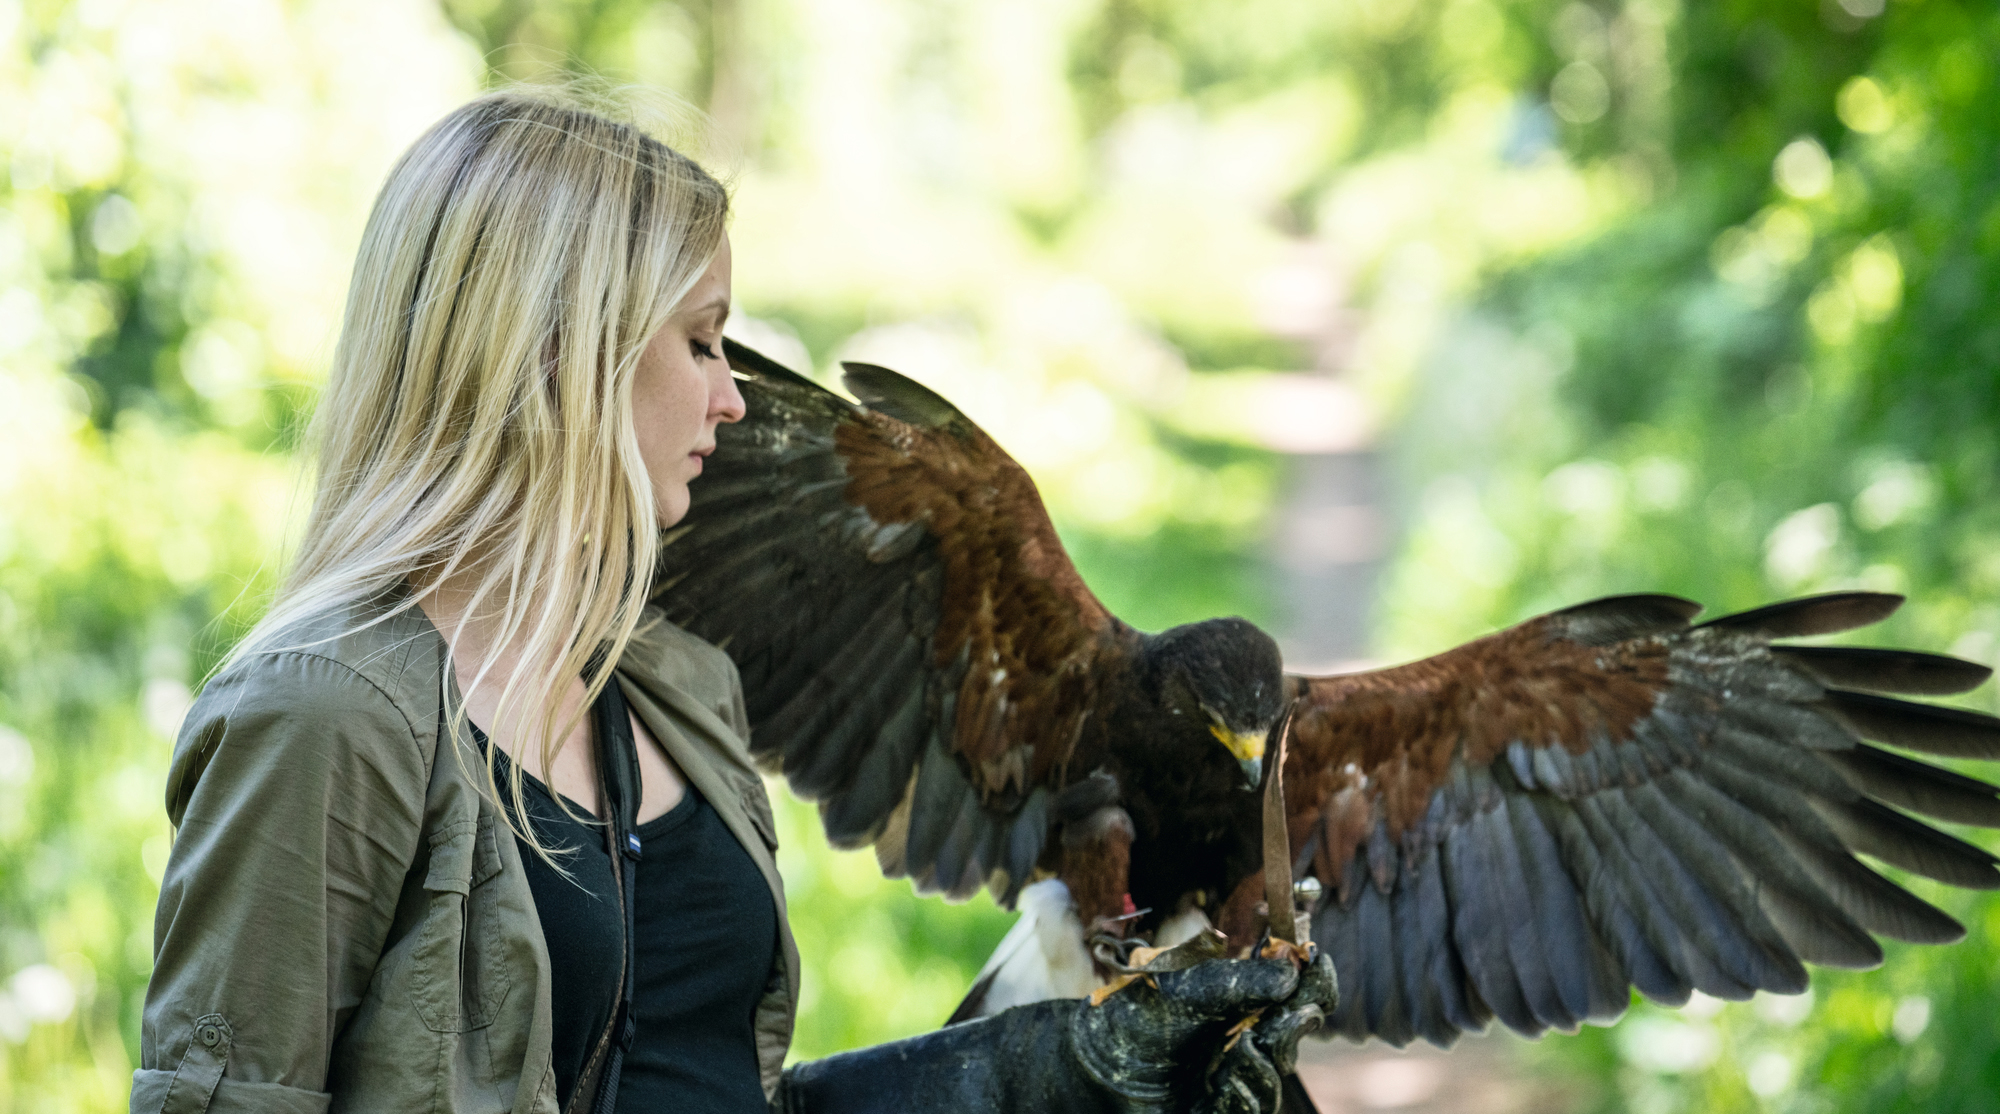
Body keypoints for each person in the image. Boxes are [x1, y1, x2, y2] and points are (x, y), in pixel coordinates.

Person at [130, 88, 1330, 1114]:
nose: (734, 400)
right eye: (702, 344)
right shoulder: (329, 719)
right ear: (564, 351)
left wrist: (1067, 1069)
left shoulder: (669, 686)